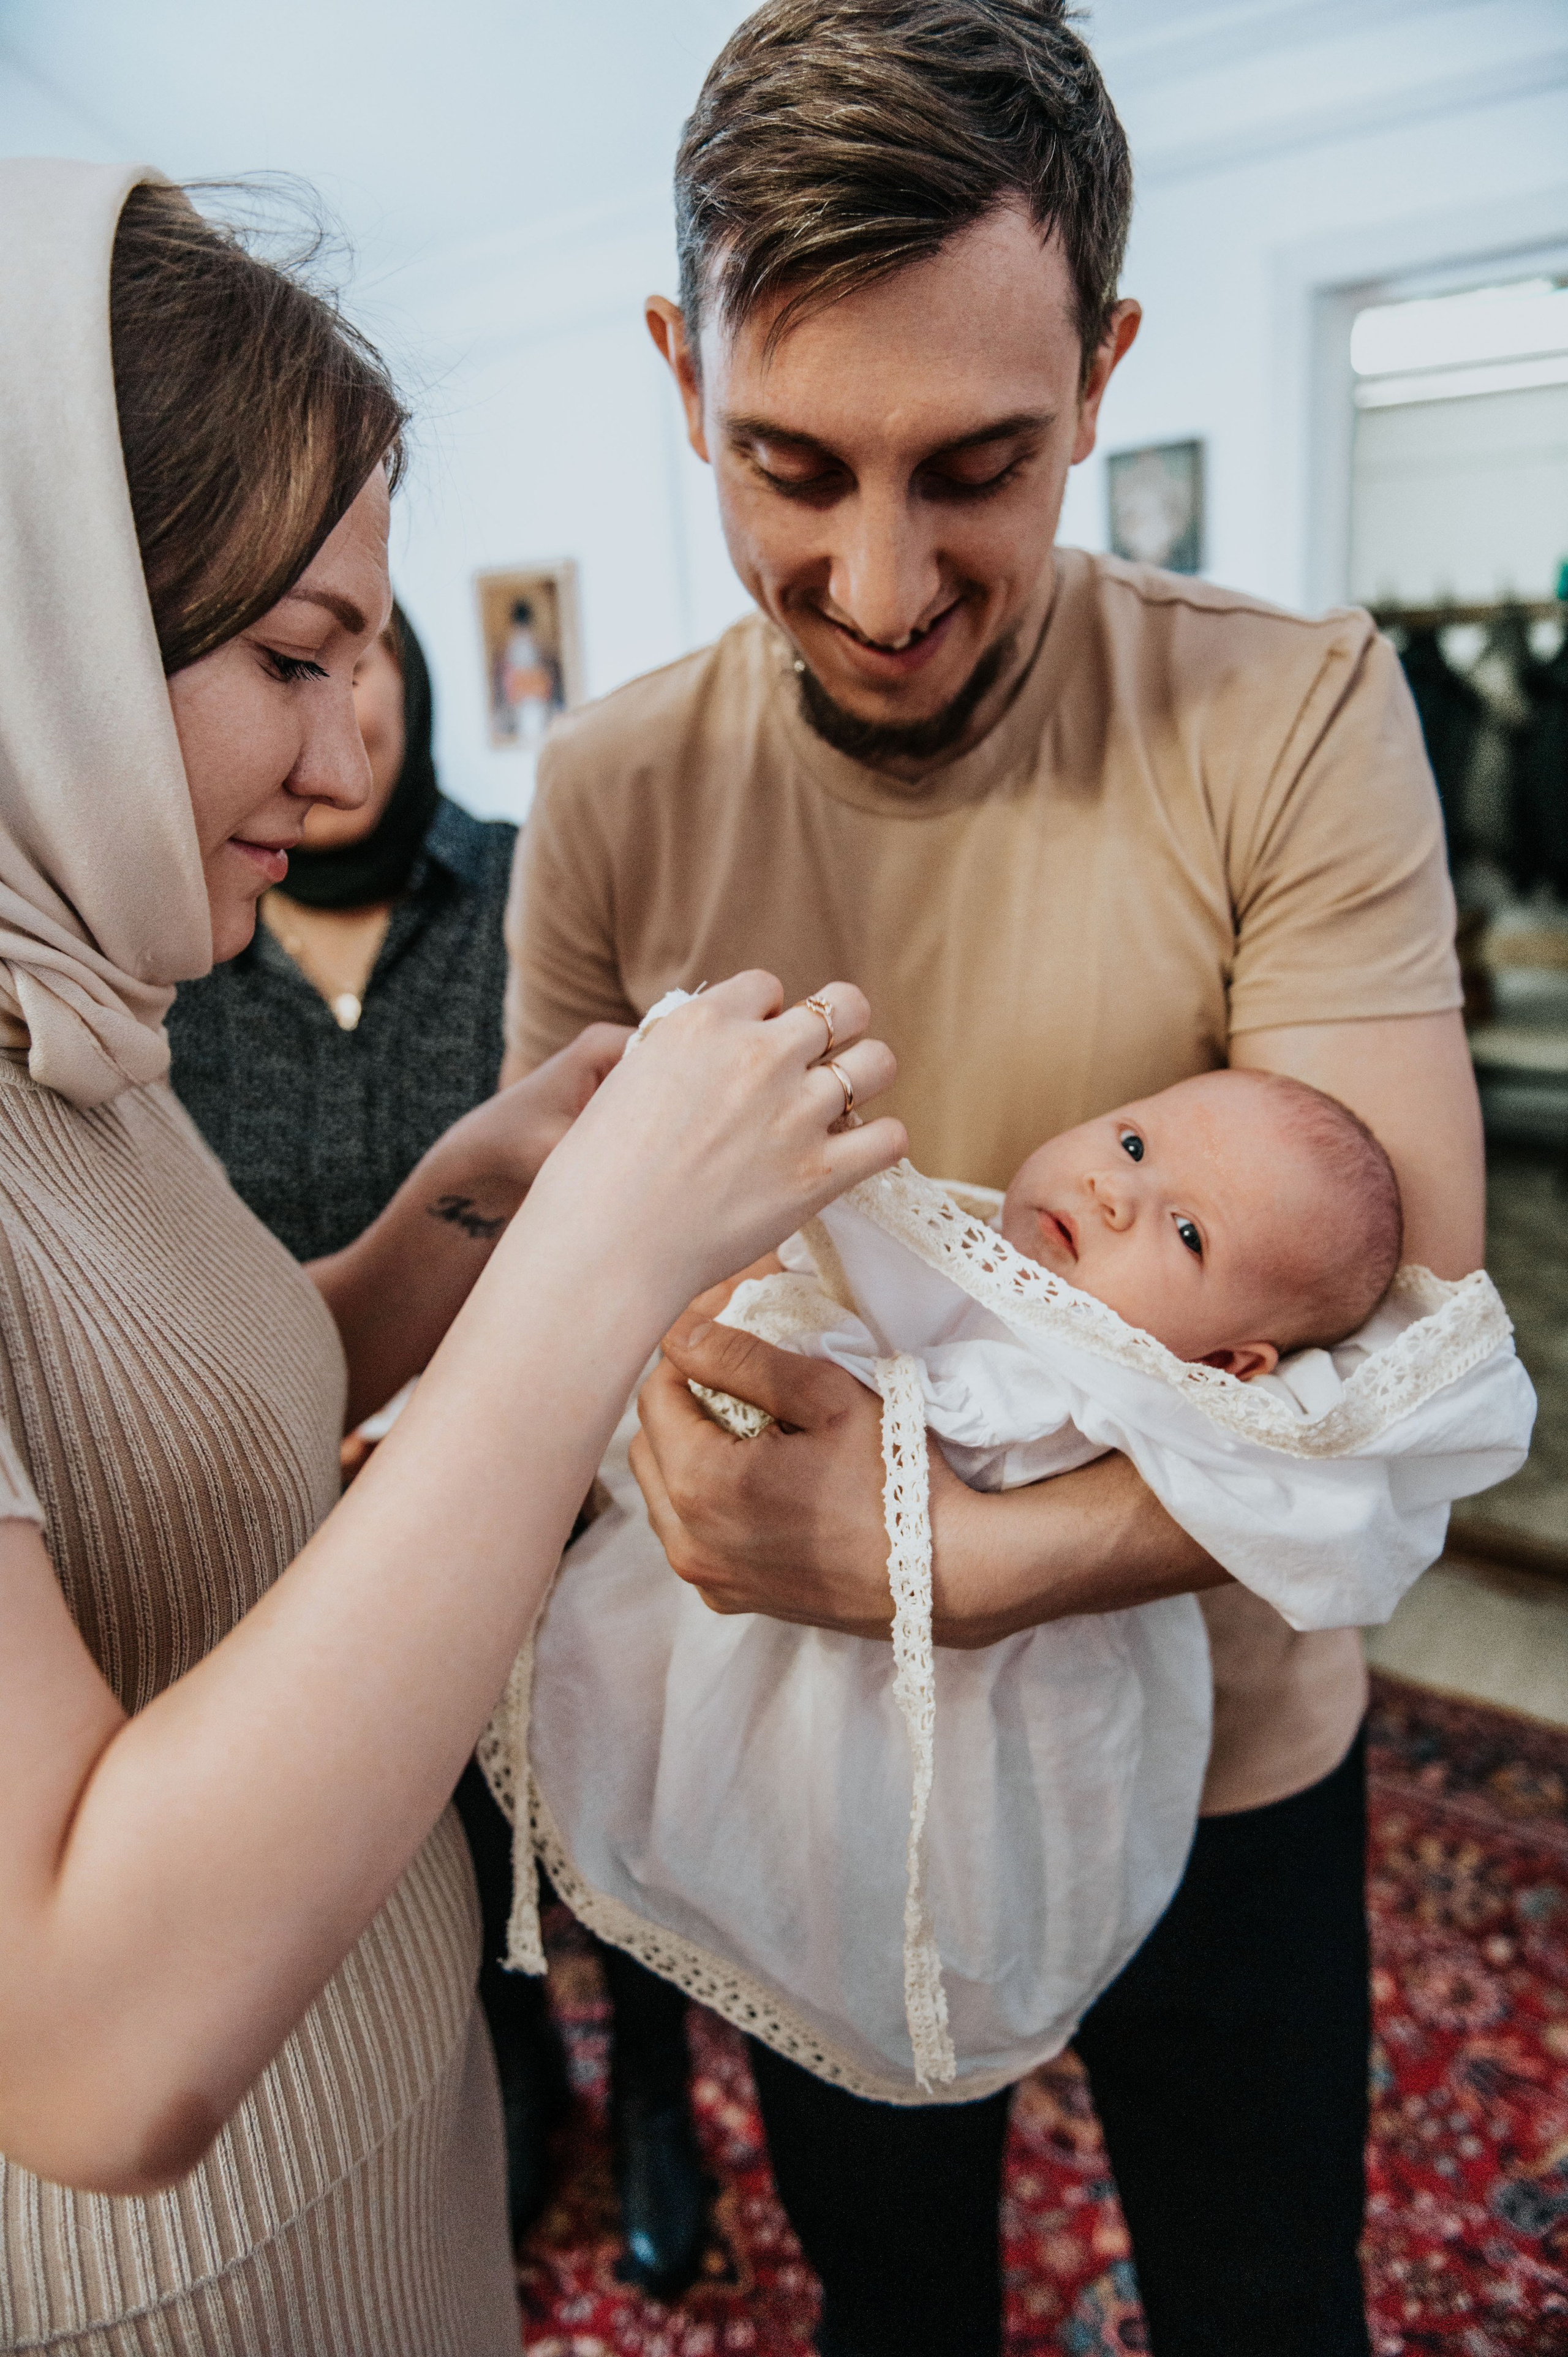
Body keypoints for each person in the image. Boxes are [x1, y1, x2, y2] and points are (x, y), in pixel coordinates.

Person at [500, 6, 1484, 2352]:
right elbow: (545, 1294)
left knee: (1266, 2294)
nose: (873, 576)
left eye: (978, 464)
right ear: (675, 365)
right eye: (787, 462)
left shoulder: (1292, 710)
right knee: (893, 2294)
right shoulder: (613, 795)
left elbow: (1421, 1383)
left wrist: (932, 1549)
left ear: (1110, 362)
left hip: (1234, 1757)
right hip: (819, 1801)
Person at [0, 158, 899, 2357]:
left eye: (367, 658)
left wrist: (456, 1217)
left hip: (389, 2142)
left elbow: (162, 1446)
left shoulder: (75, 1029)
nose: (341, 756)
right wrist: (593, 1265)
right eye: (287, 655)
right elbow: (93, 2036)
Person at [498, 1065, 1526, 2100]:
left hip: (938, 1736)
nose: (1119, 1192)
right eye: (1132, 1144)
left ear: (1234, 1364)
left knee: (875, 1900)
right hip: (784, 1651)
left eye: (1188, 1235)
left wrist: (755, 1248)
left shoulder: (1092, 1393)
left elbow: (822, 1376)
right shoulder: (975, 1242)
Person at [165, 602, 707, 2283]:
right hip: (316, 1504)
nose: (334, 722)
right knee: (441, 1843)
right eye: (275, 666)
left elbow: (633, 1184)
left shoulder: (528, 888)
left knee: (632, 1798)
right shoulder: (172, 937)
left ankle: (666, 2096)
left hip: (571, 1482)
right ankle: (523, 2061)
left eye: (356, 657)